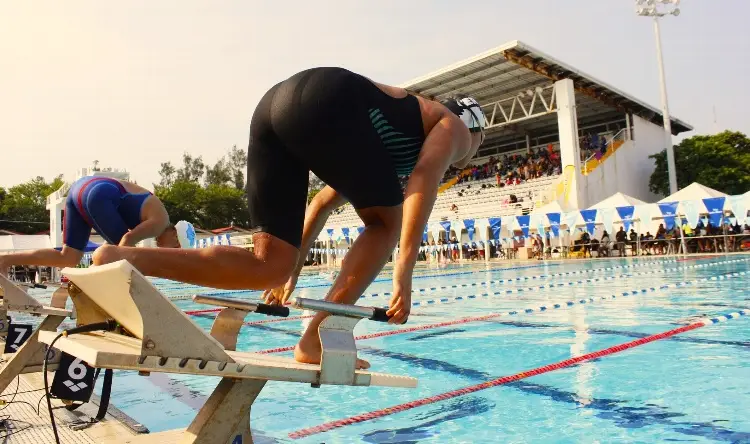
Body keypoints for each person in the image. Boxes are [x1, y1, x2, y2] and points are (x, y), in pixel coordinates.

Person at [91, 66, 487, 368]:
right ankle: (315, 339)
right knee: (384, 225)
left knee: (269, 265)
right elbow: (422, 181)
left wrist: (291, 270)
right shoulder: (453, 126)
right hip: (327, 100)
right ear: (477, 129)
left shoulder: (384, 140)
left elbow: (320, 204)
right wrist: (404, 273)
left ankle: (120, 258)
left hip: (276, 106)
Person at [0, 175, 184, 274]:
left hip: (79, 190)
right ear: (175, 234)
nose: (168, 252)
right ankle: (95, 291)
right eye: (175, 248)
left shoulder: (155, 215)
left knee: (68, 258)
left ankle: (5, 260)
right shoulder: (161, 222)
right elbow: (126, 240)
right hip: (100, 193)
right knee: (125, 253)